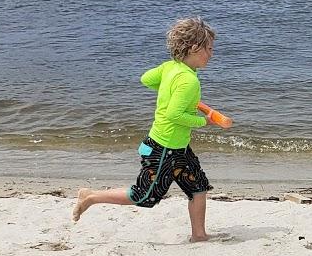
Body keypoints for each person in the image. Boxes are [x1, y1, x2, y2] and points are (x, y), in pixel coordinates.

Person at [72, 17, 218, 242]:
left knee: (198, 186)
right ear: (194, 48)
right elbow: (174, 115)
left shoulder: (171, 68)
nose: (211, 54)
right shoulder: (189, 81)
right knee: (144, 197)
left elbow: (146, 79)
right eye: (209, 49)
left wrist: (168, 87)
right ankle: (91, 196)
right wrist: (203, 122)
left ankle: (199, 235)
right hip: (164, 149)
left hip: (178, 147)